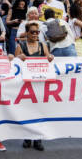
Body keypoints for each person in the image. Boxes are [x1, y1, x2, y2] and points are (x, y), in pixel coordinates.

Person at [15, 21, 53, 152]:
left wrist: (51, 58)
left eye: (37, 32)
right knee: (26, 111)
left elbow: (49, 58)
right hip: (25, 85)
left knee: (39, 112)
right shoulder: (21, 45)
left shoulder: (43, 45)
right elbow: (14, 63)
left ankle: (38, 139)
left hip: (39, 84)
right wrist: (19, 57)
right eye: (32, 32)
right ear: (27, 33)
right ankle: (27, 137)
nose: (35, 34)